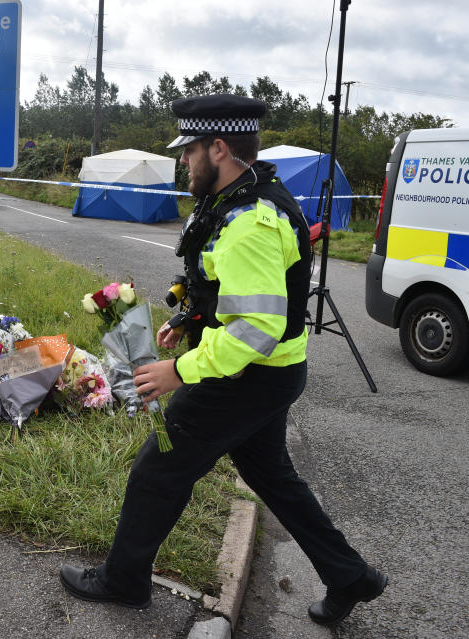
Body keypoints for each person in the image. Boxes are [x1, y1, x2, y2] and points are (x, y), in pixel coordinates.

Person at [59, 94, 386, 626]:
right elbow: (222, 287)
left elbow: (256, 328)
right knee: (271, 476)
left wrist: (179, 371)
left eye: (189, 151)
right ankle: (351, 576)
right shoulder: (238, 198)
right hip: (269, 375)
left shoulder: (252, 222)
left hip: (245, 377)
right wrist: (186, 319)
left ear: (219, 147)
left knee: (157, 466)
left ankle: (123, 580)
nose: (183, 162)